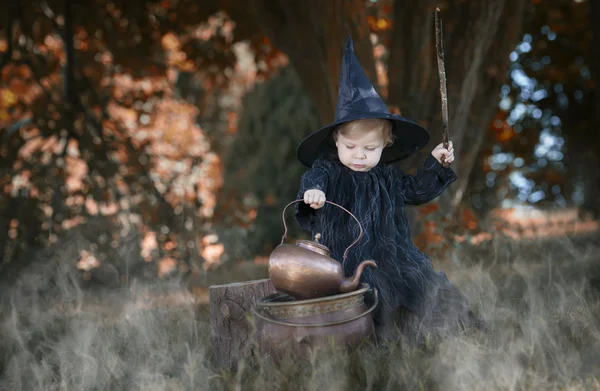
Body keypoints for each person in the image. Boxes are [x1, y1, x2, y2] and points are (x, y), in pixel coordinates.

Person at [294, 36, 487, 342]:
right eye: (351, 146)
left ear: (386, 145)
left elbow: (418, 191)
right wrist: (313, 195)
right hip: (346, 262)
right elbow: (311, 183)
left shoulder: (388, 177)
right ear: (336, 141)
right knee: (370, 293)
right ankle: (378, 350)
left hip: (394, 257)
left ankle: (464, 336)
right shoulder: (327, 170)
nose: (360, 154)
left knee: (428, 284)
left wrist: (437, 164)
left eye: (370, 148)